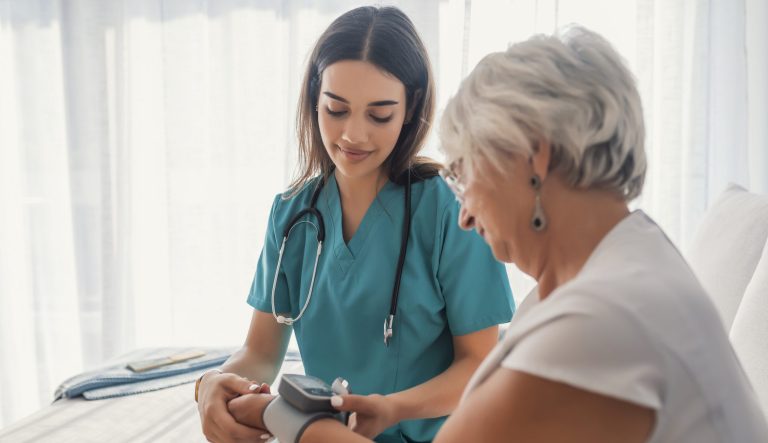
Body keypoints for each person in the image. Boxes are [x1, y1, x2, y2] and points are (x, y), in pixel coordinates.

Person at [224, 25, 768, 443]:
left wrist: (285, 416)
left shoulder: (598, 322)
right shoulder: (629, 261)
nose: (463, 213)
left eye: (467, 172)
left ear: (536, 157)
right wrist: (387, 409)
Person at [195, 6, 515, 443]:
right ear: (315, 99)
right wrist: (212, 384)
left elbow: (481, 364)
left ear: (411, 107)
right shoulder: (292, 214)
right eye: (336, 109)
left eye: (379, 115)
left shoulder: (450, 207)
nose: (353, 136)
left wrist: (391, 409)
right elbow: (260, 353)